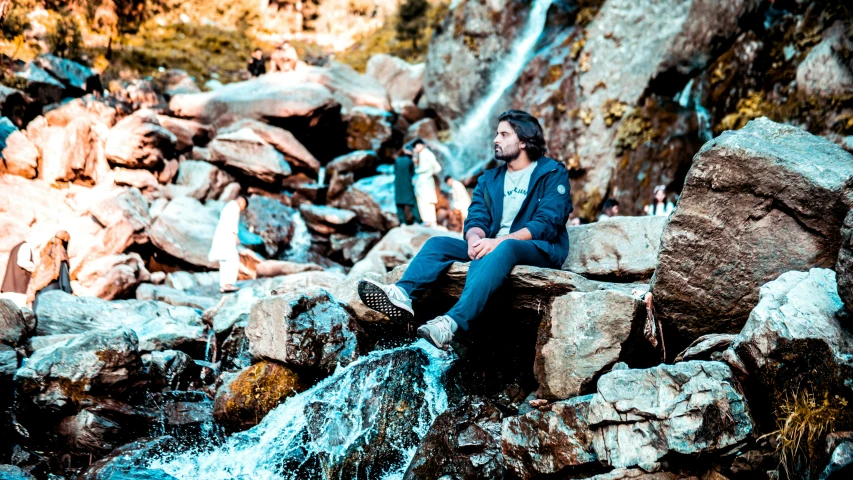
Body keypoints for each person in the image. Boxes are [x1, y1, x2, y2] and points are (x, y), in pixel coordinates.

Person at [357, 110, 572, 350]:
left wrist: (497, 242)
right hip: (493, 247)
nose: (496, 140)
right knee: (438, 244)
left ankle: (451, 323)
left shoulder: (552, 173)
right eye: (496, 134)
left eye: (503, 134)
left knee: (505, 246)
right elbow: (477, 217)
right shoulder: (489, 179)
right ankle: (402, 293)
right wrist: (475, 238)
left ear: (523, 141)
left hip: (537, 248)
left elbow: (547, 223)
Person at [209, 196, 248, 293]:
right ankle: (228, 284)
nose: (242, 208)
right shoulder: (234, 207)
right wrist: (235, 236)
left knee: (224, 261)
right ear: (242, 201)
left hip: (222, 235)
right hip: (228, 236)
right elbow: (233, 222)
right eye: (244, 206)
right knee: (233, 260)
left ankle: (223, 285)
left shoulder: (228, 205)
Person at [27, 231, 72, 312]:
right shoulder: (61, 257)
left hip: (38, 297)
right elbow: (65, 283)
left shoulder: (44, 256)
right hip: (52, 300)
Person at [412, 139, 442, 227]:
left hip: (425, 180)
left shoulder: (426, 153)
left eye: (417, 146)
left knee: (425, 201)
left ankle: (429, 220)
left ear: (422, 145)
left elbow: (436, 167)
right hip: (424, 180)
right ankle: (430, 220)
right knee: (425, 200)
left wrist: (428, 173)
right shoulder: (423, 154)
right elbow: (437, 168)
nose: (416, 148)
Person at [1, 239, 35, 308]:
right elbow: (22, 262)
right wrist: (35, 268)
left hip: (10, 290)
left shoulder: (17, 247)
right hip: (17, 291)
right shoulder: (26, 246)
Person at [395, 149, 422, 225]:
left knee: (399, 203)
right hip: (407, 183)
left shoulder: (397, 160)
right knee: (412, 203)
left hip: (398, 184)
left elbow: (395, 171)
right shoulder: (410, 160)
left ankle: (402, 222)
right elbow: (413, 173)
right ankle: (417, 220)